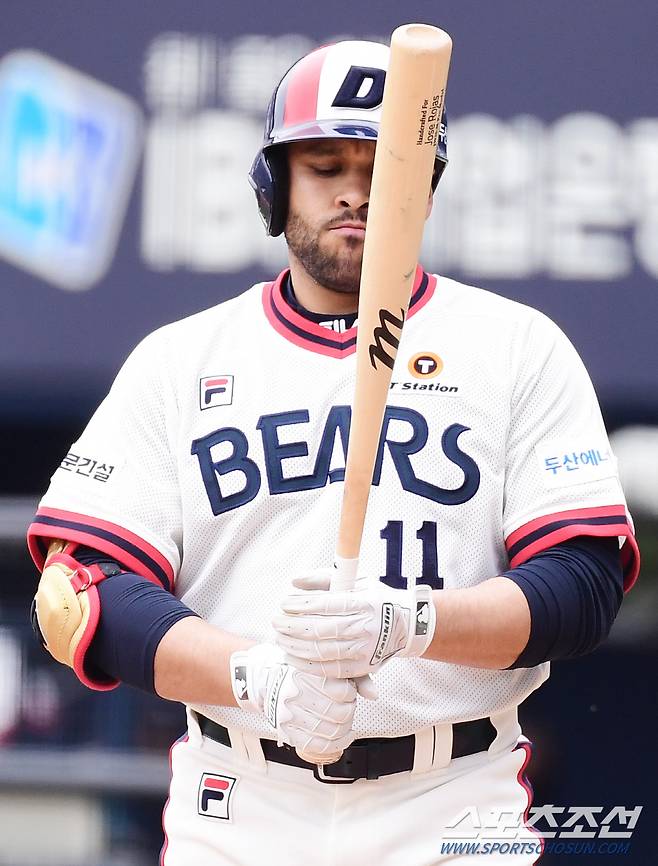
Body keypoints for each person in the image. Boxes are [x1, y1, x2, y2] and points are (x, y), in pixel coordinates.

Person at [28, 39, 639, 865]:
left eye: (381, 164)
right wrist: (260, 680)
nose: (355, 191)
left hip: (452, 794)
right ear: (275, 189)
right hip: (238, 802)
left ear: (423, 186)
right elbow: (76, 595)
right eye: (324, 165)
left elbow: (583, 581)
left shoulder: (515, 347)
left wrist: (411, 622)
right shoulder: (183, 359)